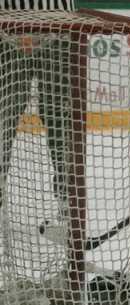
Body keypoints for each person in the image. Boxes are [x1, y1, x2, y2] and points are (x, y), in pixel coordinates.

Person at [0, 1, 75, 210]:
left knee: (60, 117)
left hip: (58, 28)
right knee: (4, 115)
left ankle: (67, 201)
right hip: (5, 29)